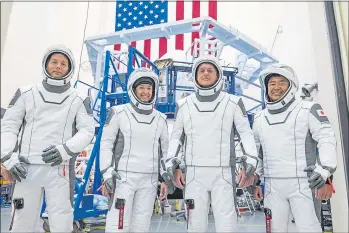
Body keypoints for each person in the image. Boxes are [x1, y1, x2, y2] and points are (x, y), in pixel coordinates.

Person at [0, 45, 95, 232]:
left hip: (60, 169)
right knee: (21, 222)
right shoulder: (26, 93)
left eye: (63, 63)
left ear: (69, 68)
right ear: (46, 63)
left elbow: (87, 131)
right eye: (54, 62)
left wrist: (64, 150)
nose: (58, 66)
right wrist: (8, 158)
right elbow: (9, 126)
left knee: (62, 222)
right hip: (25, 168)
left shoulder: (79, 98)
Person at [165, 55, 258, 232]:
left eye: (210, 70)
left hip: (223, 174)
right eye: (201, 70)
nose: (205, 73)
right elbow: (176, 138)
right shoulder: (183, 105)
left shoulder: (233, 102)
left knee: (227, 225)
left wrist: (250, 161)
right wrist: (173, 164)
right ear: (195, 75)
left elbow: (246, 134)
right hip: (193, 175)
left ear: (218, 76)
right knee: (195, 225)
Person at [252, 63, 337, 232]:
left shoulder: (308, 109)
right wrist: (256, 181)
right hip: (272, 186)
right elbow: (257, 153)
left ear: (291, 85)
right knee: (275, 229)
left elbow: (326, 138)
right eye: (272, 83)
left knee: (309, 228)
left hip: (304, 184)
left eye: (281, 82)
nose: (276, 87)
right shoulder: (259, 118)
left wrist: (325, 172)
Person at [99, 67, 169, 232]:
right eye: (142, 88)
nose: (146, 92)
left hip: (149, 181)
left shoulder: (161, 119)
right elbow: (106, 144)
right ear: (133, 89)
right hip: (123, 179)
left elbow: (165, 152)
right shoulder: (118, 113)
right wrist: (107, 173)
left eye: (149, 88)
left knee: (141, 226)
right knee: (118, 226)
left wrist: (164, 179)